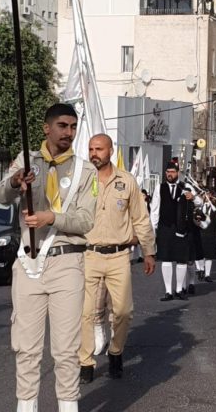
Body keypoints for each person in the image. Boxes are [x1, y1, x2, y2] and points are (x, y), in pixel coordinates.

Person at [0, 103, 96, 412]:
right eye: (62, 126)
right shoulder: (26, 161)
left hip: (67, 261)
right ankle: (26, 407)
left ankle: (68, 406)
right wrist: (15, 182)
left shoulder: (85, 170)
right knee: (26, 347)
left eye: (73, 126)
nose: (69, 132)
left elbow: (86, 221)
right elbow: (0, 196)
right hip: (29, 262)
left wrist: (52, 217)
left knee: (66, 349)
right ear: (46, 128)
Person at [78, 134, 155, 385]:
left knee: (123, 311)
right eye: (91, 149)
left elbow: (140, 218)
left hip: (119, 255)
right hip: (89, 254)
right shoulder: (82, 179)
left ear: (110, 151)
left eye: (99, 149)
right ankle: (85, 361)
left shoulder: (127, 181)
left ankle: (115, 351)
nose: (94, 153)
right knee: (86, 312)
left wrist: (148, 251)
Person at [151, 162, 197, 301]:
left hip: (181, 228)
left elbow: (200, 202)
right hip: (165, 227)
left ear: (177, 173)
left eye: (172, 171)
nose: (169, 174)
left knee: (181, 260)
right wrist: (153, 230)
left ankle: (179, 290)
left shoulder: (185, 186)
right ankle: (168, 291)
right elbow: (154, 210)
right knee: (166, 259)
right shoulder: (159, 188)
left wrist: (193, 197)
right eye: (167, 172)